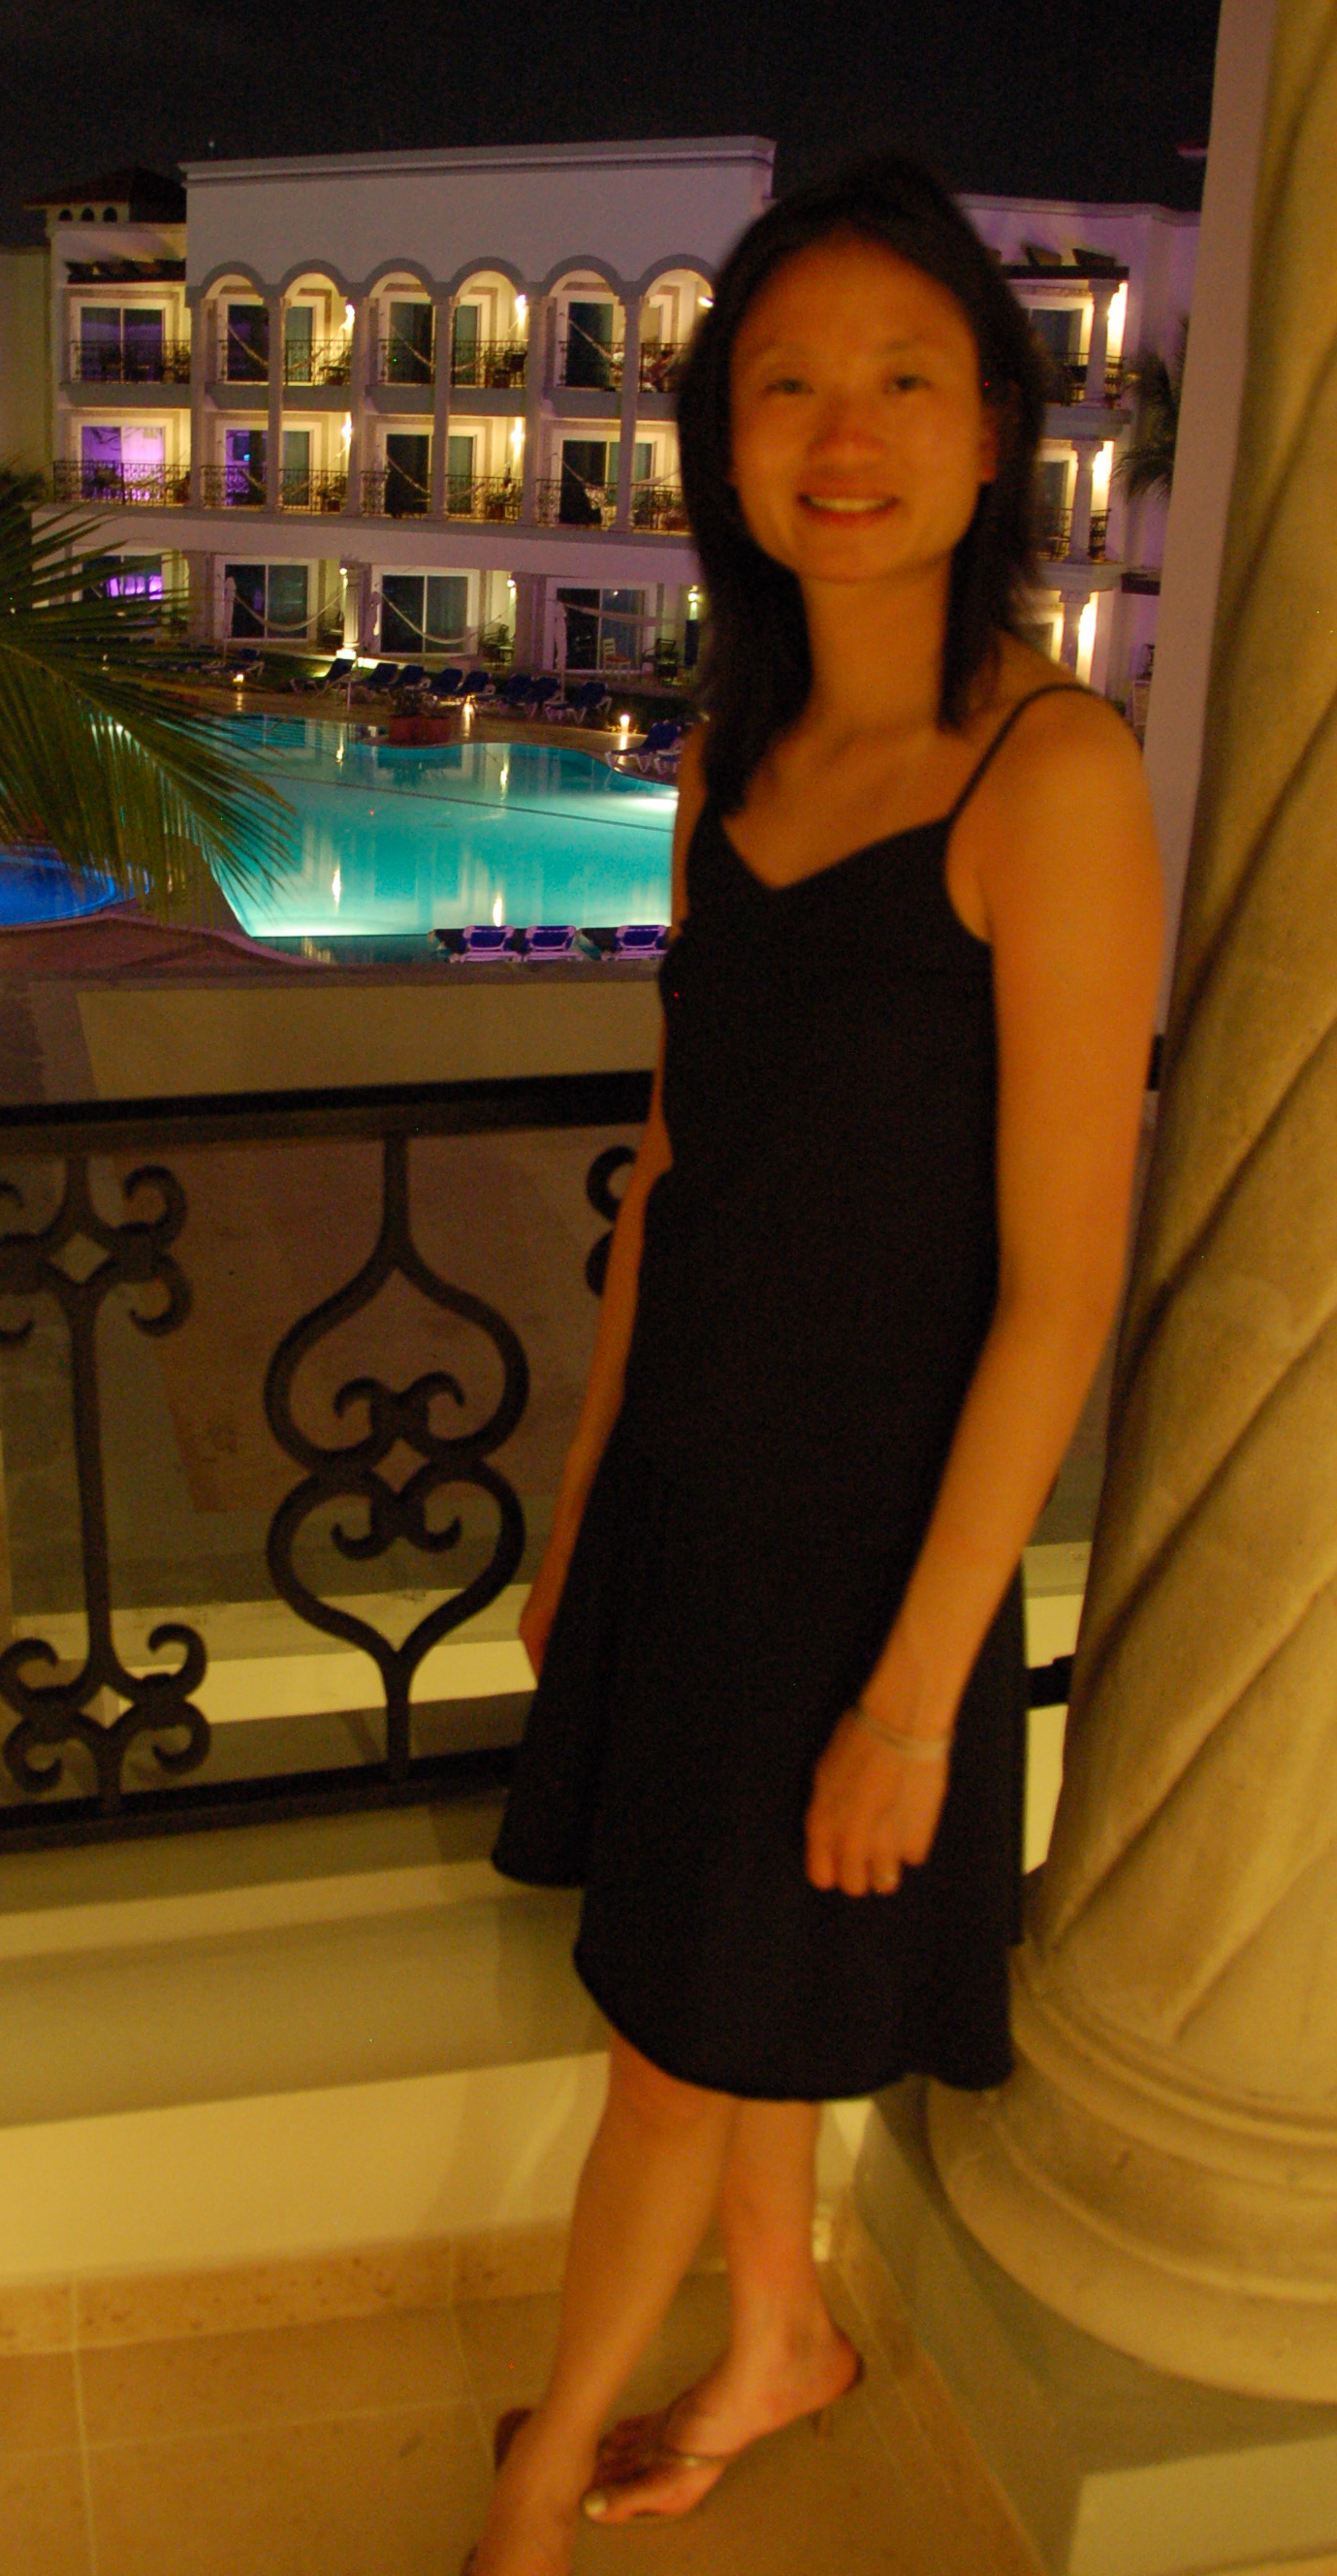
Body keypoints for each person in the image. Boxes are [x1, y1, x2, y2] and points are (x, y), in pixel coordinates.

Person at [465, 158, 1163, 2576]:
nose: (839, 433)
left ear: (991, 439)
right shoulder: (725, 767)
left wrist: (915, 1695)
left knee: (672, 2045)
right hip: (689, 1516)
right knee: (710, 1996)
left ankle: (540, 2485)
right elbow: (679, 1179)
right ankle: (774, 2334)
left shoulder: (1050, 779)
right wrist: (586, 1508)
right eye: (783, 385)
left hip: (867, 1560)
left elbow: (1056, 1290)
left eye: (899, 380)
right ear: (721, 447)